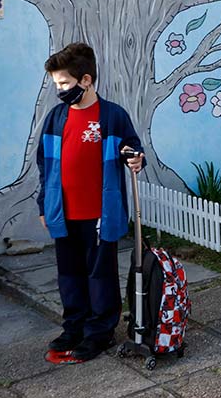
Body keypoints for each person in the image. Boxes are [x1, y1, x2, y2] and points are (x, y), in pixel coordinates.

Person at [37, 43, 144, 362]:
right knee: (69, 275)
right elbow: (45, 165)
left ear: (86, 80)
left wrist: (136, 159)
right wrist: (45, 205)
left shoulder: (112, 116)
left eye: (64, 84)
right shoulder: (56, 118)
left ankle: (100, 332)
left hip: (100, 215)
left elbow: (133, 148)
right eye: (56, 84)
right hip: (63, 214)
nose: (59, 90)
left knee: (100, 276)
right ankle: (74, 327)